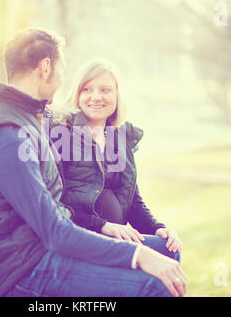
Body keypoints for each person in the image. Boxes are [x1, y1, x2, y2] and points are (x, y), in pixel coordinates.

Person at [0, 28, 187, 297]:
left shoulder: (24, 116)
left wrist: (152, 237)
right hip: (23, 268)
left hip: (43, 248)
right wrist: (135, 254)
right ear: (45, 68)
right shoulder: (7, 133)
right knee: (155, 284)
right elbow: (54, 229)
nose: (62, 80)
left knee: (166, 254)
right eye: (62, 70)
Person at [50, 60, 183, 257]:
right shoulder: (62, 133)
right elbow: (57, 201)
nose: (96, 97)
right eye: (87, 89)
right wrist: (103, 226)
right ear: (77, 94)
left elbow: (133, 202)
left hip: (117, 238)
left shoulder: (118, 137)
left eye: (105, 90)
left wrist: (157, 228)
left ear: (117, 95)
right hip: (83, 238)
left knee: (168, 249)